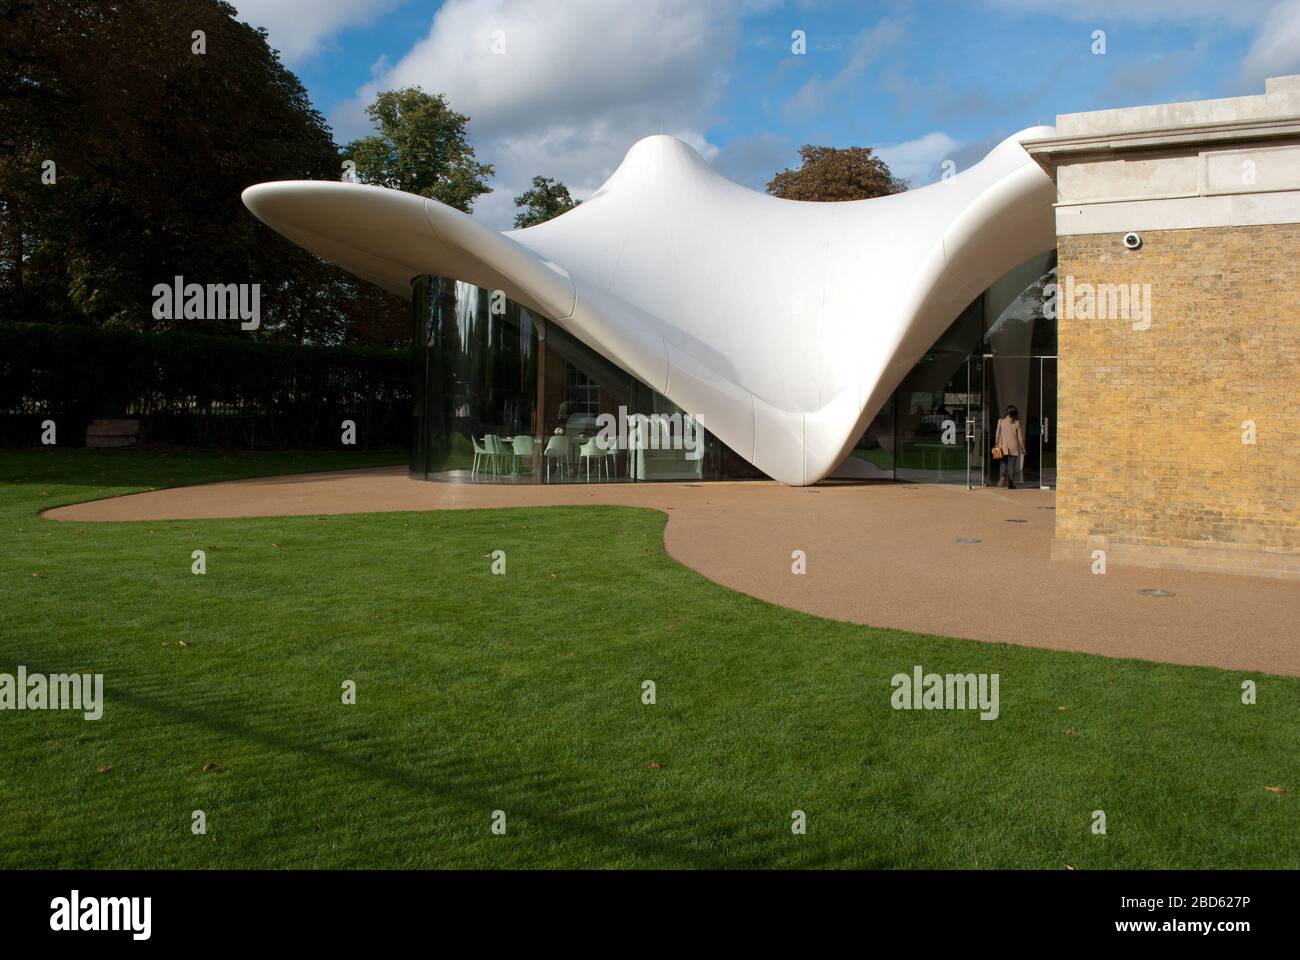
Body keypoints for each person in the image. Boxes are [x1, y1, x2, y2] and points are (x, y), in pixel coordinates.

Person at [995, 405, 1025, 489]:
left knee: (1003, 463)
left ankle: (1002, 476)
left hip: (1003, 446)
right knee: (1011, 466)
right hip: (1014, 447)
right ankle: (1011, 484)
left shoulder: (1001, 421)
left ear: (1007, 412)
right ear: (1015, 413)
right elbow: (1020, 437)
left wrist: (996, 444)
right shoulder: (1017, 422)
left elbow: (998, 434)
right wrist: (1023, 448)